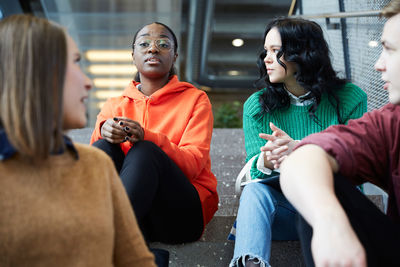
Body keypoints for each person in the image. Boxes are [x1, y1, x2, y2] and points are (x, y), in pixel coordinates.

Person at [0, 14, 155, 266]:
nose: (88, 83)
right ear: (33, 72)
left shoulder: (96, 166)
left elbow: (136, 260)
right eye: (74, 63)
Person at [230, 17, 367, 267]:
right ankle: (250, 263)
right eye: (266, 51)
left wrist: (301, 150)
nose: (266, 59)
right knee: (255, 191)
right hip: (285, 214)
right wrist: (266, 161)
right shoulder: (256, 106)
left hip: (337, 209)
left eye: (276, 51)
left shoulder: (350, 98)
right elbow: (252, 169)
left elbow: (360, 165)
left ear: (302, 53)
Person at [280, 1, 400, 266]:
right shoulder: (393, 122)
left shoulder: (349, 96)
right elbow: (303, 161)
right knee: (320, 187)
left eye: (389, 50)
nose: (378, 65)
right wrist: (330, 224)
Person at [90, 22, 218, 249]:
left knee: (145, 151)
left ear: (175, 55)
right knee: (102, 147)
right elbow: (91, 169)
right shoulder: (114, 105)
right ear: (133, 55)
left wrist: (148, 137)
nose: (153, 49)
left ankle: (104, 239)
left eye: (163, 44)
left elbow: (193, 165)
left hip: (179, 214)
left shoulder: (196, 100)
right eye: (144, 44)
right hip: (138, 215)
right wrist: (104, 130)